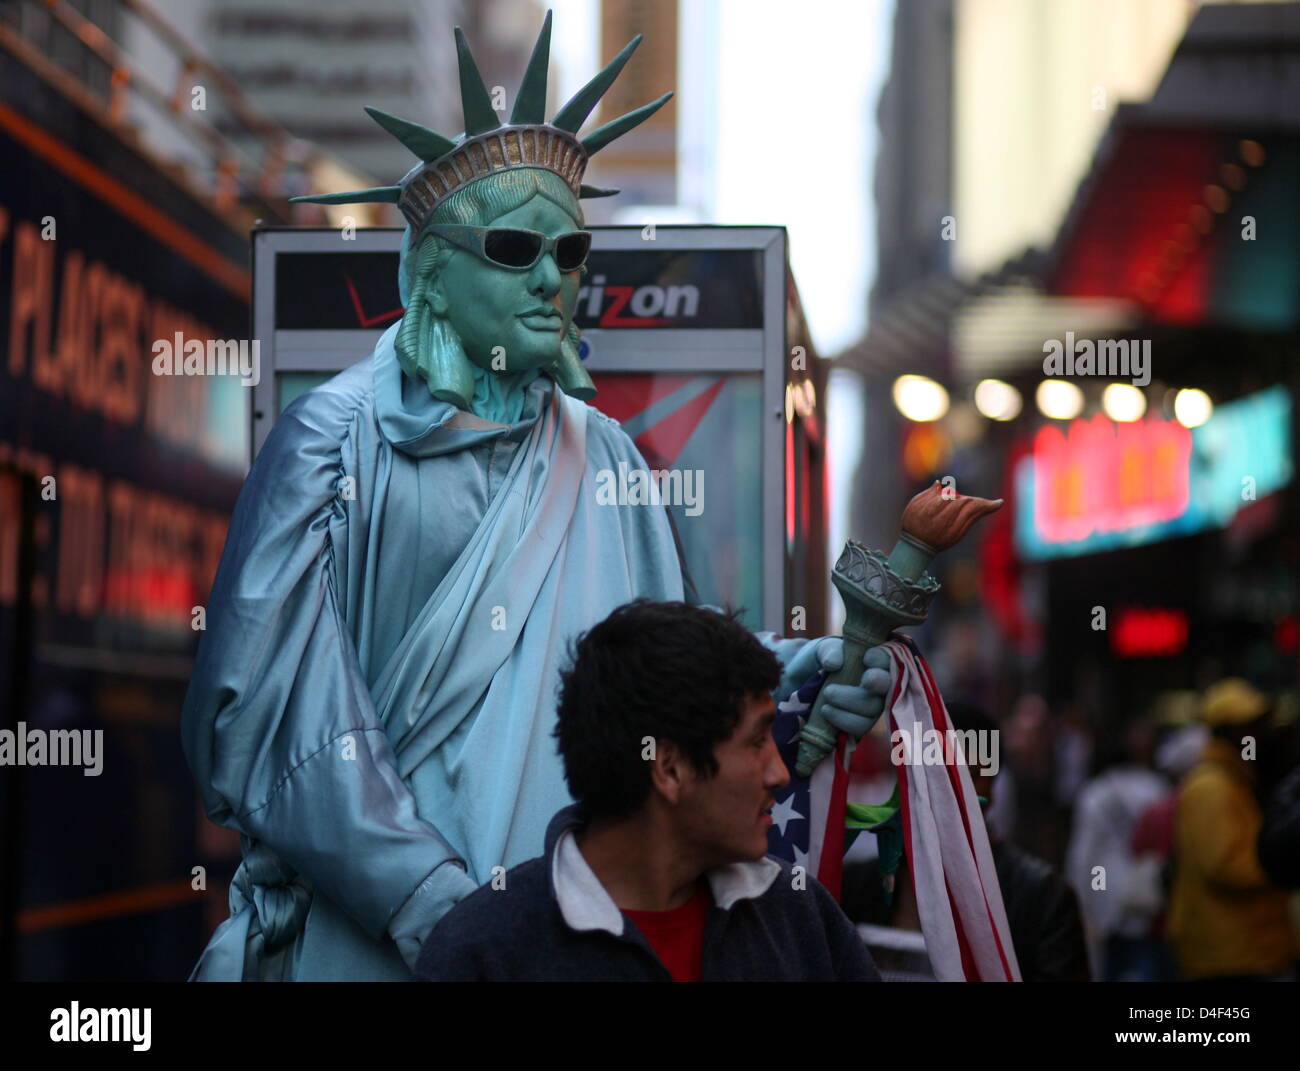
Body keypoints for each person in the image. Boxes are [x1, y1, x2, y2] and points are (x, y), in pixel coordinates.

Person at [180, 13, 888, 981]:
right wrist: (444, 911)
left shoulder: (612, 462)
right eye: (517, 249)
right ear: (429, 273)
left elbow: (673, 677)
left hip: (582, 955)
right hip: (372, 952)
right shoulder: (328, 444)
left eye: (571, 255)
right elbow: (266, 716)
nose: (555, 280)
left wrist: (810, 678)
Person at [415, 600, 882, 982]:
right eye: (757, 742)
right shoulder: (484, 954)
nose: (778, 774)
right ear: (669, 769)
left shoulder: (798, 917)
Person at [1166, 678, 1299, 981]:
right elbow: (1225, 864)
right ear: (1228, 731)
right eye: (1249, 725)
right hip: (1231, 954)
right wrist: (1281, 865)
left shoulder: (1234, 780)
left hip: (1245, 948)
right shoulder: (1213, 787)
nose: (1260, 734)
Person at [1065, 717, 1167, 981]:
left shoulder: (1095, 794)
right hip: (1148, 893)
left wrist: (1082, 904)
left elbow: (1082, 856)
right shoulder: (1158, 789)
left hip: (1105, 894)